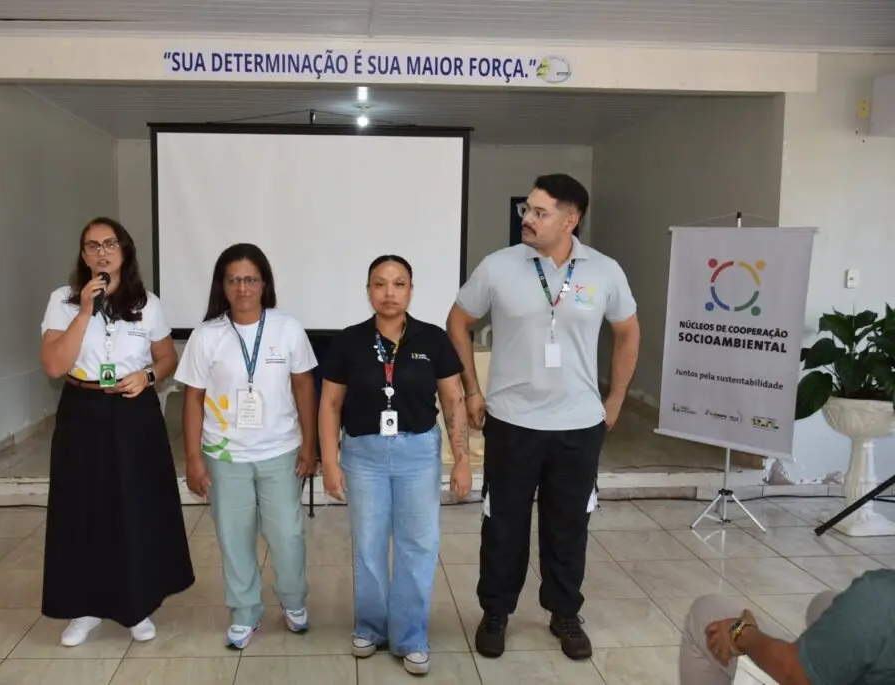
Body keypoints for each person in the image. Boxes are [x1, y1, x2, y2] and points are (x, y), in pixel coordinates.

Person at [447, 174, 640, 661]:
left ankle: (564, 612)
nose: (527, 219)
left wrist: (615, 397)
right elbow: (459, 321)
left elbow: (628, 332)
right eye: (526, 210)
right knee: (503, 523)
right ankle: (496, 611)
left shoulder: (604, 271)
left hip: (578, 423)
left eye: (539, 212)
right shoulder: (499, 266)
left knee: (569, 523)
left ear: (570, 219)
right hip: (512, 421)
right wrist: (473, 387)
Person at [40, 217, 194, 647]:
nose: (101, 252)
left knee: (135, 506)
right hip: (82, 409)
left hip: (133, 411)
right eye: (92, 246)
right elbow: (54, 365)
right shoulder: (64, 301)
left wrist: (147, 375)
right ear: (83, 255)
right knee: (82, 507)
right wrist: (86, 311)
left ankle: (135, 604)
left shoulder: (148, 302)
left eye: (109, 244)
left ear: (124, 251)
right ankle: (85, 607)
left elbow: (167, 358)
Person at [320, 255, 472, 676]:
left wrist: (462, 460)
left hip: (418, 453)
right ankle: (370, 626)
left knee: (417, 545)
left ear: (411, 290)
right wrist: (329, 462)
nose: (389, 293)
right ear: (368, 290)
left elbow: (454, 401)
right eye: (380, 284)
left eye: (399, 284)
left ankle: (410, 636)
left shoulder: (433, 339)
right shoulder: (349, 341)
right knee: (368, 544)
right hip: (363, 454)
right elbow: (330, 404)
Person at [176, 243, 318, 651]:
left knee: (287, 534)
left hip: (280, 450)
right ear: (223, 286)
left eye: (250, 279)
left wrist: (310, 446)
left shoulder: (287, 328)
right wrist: (193, 459)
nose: (242, 287)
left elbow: (304, 387)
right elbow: (193, 399)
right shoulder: (207, 335)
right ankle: (245, 611)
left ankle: (293, 602)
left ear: (264, 284)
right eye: (234, 279)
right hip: (225, 455)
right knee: (234, 537)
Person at [682, 569, 895, 684]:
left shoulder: (880, 595)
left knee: (706, 611)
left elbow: (793, 675)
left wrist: (742, 632)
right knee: (824, 603)